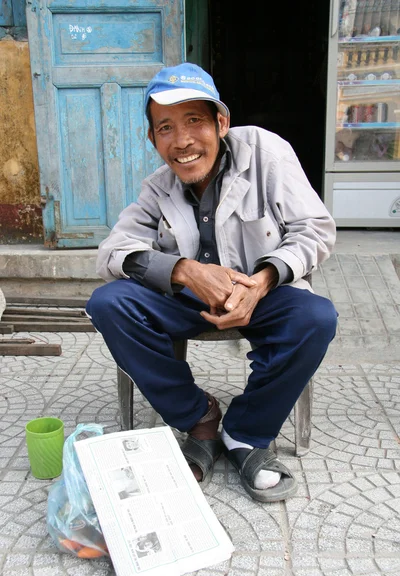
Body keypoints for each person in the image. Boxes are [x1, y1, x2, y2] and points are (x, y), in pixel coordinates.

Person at [86, 62, 338, 503]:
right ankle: (199, 418)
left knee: (316, 317)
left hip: (263, 293)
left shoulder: (265, 152)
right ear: (153, 139)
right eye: (165, 127)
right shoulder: (158, 187)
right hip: (188, 300)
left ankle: (246, 434)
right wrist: (184, 271)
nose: (182, 141)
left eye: (194, 121)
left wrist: (261, 281)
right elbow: (111, 253)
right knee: (110, 303)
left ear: (221, 122)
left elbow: (315, 230)